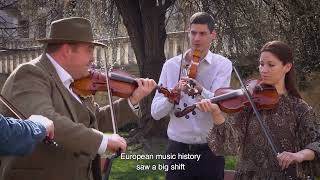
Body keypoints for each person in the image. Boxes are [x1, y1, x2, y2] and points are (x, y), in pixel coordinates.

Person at [0, 17, 156, 180]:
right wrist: (102, 141)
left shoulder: (76, 81)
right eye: (89, 49)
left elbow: (95, 121)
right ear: (67, 50)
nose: (93, 58)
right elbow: (46, 120)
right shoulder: (30, 74)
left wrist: (132, 100)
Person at [197, 40, 320, 179]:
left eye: (271, 65)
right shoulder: (249, 102)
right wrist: (216, 114)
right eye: (261, 64)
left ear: (287, 67)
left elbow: (317, 143)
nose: (263, 70)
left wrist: (298, 155)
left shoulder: (299, 108)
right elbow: (228, 146)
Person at [151, 12, 232, 180]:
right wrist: (171, 96)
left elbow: (221, 103)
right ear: (188, 33)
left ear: (213, 35)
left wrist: (201, 89)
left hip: (210, 150)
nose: (197, 38)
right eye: (193, 33)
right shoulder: (171, 65)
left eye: (202, 33)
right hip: (177, 150)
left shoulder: (222, 65)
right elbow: (155, 113)